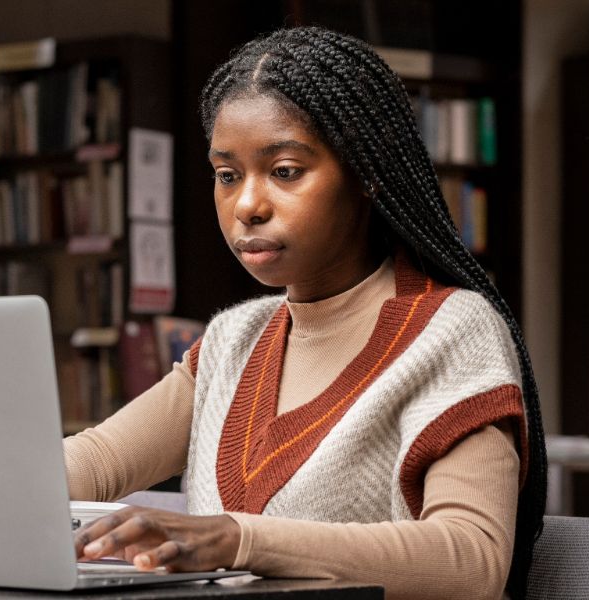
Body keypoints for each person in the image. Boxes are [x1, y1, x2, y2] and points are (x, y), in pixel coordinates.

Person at [64, 26, 546, 600]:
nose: (247, 205)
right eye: (227, 175)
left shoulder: (452, 331)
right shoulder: (233, 340)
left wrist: (236, 539)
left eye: (286, 171)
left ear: (366, 174)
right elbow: (96, 461)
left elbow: (470, 560)